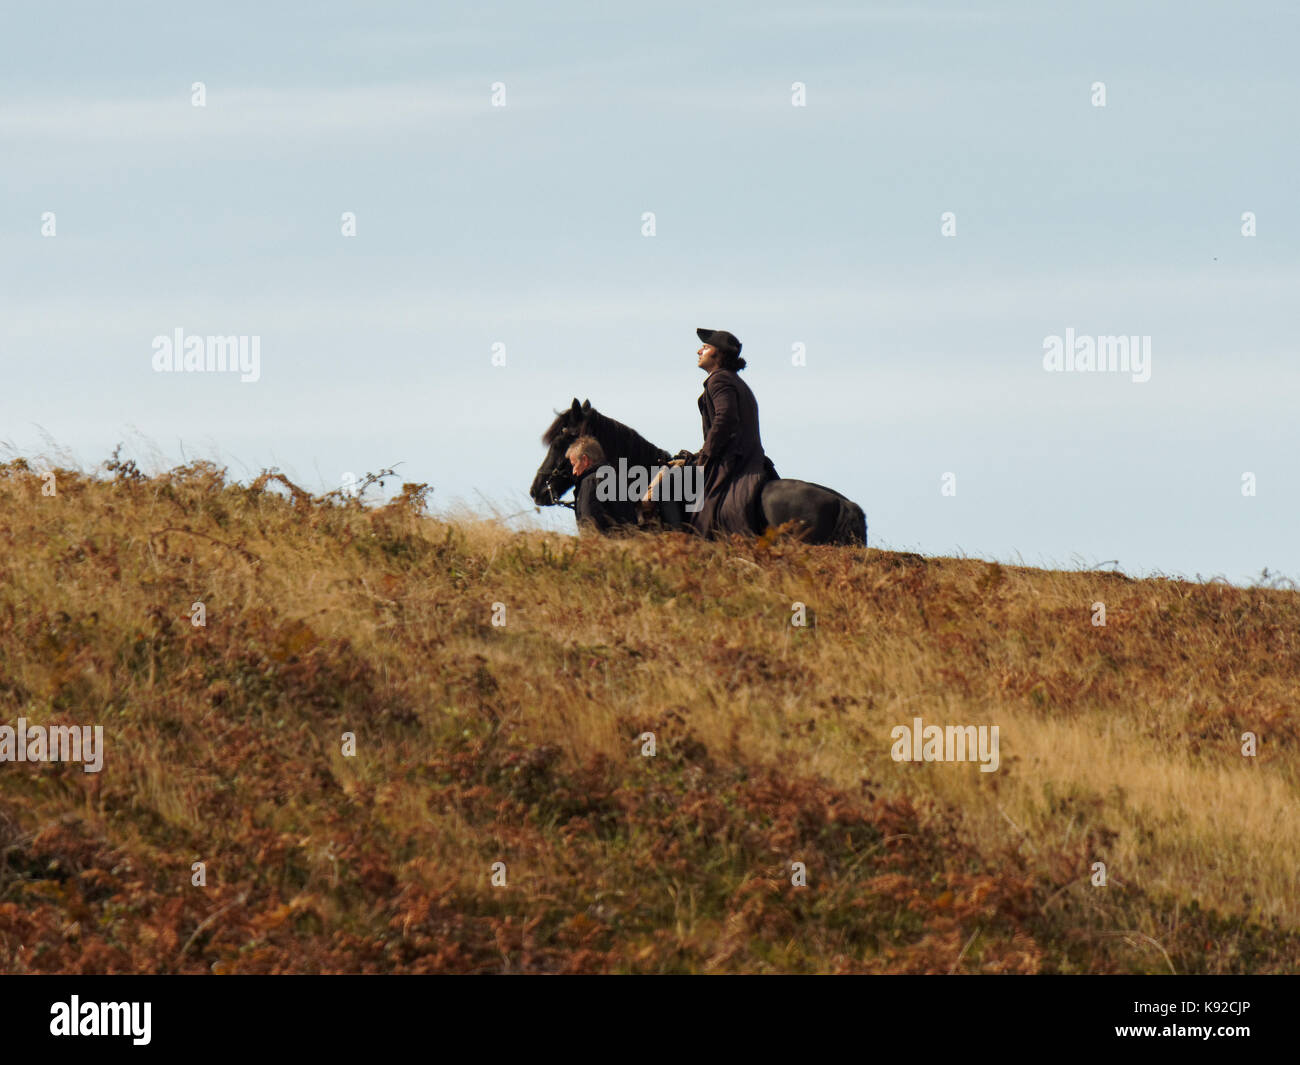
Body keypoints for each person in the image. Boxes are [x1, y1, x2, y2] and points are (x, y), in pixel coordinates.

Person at [683, 328, 779, 539]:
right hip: (748, 456)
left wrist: (706, 454)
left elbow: (725, 417)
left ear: (718, 354)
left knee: (703, 516)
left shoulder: (719, 380)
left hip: (733, 460)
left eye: (705, 347)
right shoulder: (735, 381)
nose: (699, 351)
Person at [566, 435, 639, 535]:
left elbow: (589, 523)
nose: (573, 471)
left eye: (574, 465)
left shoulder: (590, 482)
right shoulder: (617, 479)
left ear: (585, 460)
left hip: (602, 547)